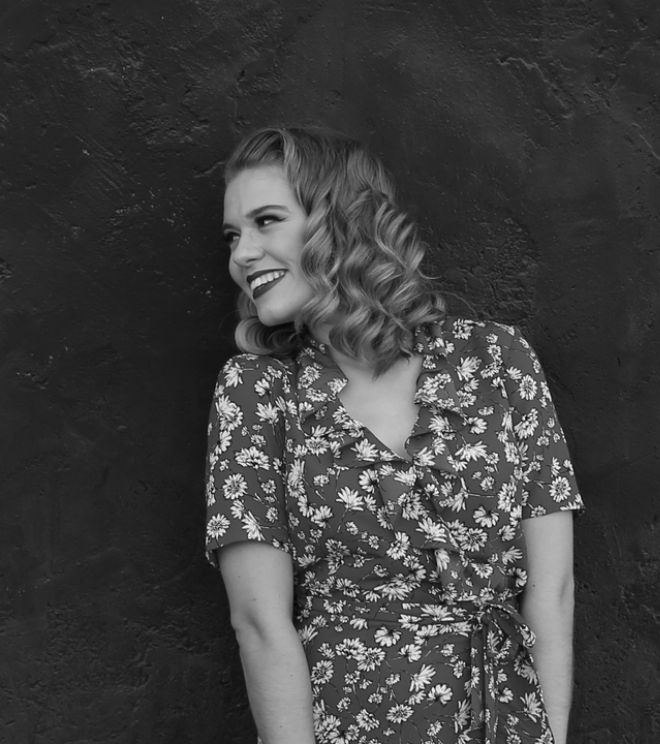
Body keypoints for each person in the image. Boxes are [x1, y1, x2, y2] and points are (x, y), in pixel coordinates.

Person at [204, 126, 584, 744]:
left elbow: (552, 590)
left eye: (266, 221)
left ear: (339, 222)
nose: (242, 254)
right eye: (232, 235)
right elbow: (259, 624)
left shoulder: (496, 359)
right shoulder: (257, 393)